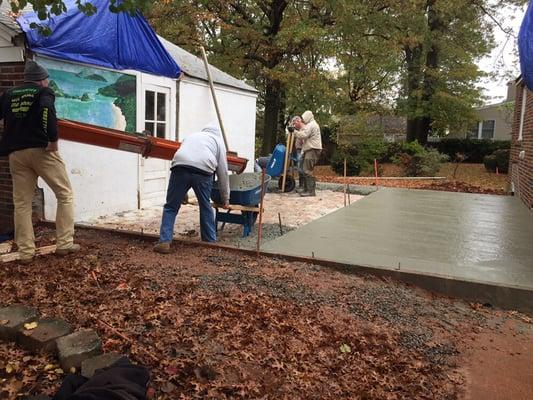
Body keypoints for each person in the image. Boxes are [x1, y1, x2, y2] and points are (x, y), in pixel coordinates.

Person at [0, 60, 79, 264]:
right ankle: (64, 244)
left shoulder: (9, 95)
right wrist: (52, 140)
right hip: (41, 150)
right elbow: (47, 113)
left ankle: (26, 252)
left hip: (16, 154)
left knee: (22, 203)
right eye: (46, 79)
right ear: (42, 80)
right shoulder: (44, 93)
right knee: (65, 194)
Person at [154, 122, 230, 253]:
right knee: (205, 205)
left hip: (180, 167)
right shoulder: (218, 142)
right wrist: (225, 198)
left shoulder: (191, 136)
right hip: (203, 171)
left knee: (171, 207)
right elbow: (222, 172)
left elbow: (178, 160)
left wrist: (180, 194)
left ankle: (164, 241)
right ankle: (209, 242)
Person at [293, 110, 322, 197]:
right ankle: (306, 189)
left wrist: (294, 132)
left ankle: (311, 191)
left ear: (307, 117)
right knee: (304, 169)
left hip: (313, 149)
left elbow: (303, 135)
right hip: (309, 149)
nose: (303, 119)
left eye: (303, 117)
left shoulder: (312, 125)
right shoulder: (311, 124)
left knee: (307, 170)